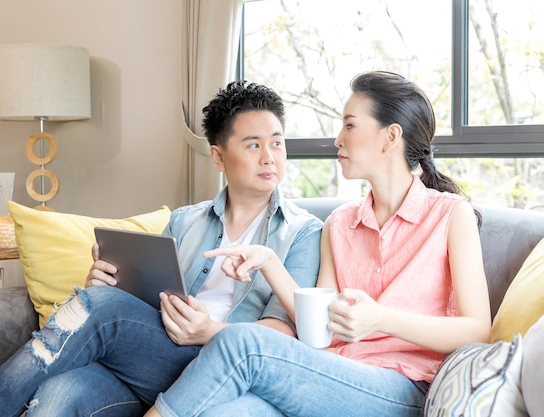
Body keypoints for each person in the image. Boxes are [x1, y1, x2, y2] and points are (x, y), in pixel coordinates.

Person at [0, 80, 323, 417]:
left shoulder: (304, 232)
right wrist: (103, 286)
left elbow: (284, 332)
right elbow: (145, 302)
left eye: (276, 143)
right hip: (151, 358)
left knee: (100, 310)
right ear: (219, 156)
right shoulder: (184, 221)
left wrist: (208, 331)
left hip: (217, 366)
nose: (270, 156)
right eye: (253, 144)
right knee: (59, 395)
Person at [144, 71, 492, 417]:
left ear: (391, 137)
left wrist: (380, 319)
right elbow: (317, 329)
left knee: (240, 341)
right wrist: (268, 261)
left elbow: (477, 330)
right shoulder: (340, 223)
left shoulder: (451, 215)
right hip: (327, 375)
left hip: (403, 388)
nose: (338, 140)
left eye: (350, 126)